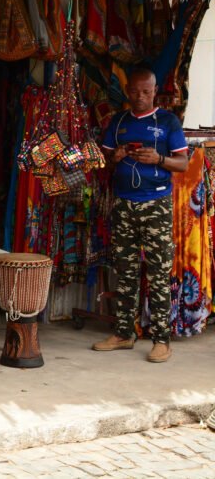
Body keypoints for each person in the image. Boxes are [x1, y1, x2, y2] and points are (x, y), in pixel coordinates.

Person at [94, 67, 188, 363]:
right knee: (126, 271)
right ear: (127, 91)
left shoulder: (168, 121)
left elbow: (183, 163)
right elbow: (104, 161)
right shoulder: (119, 121)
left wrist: (159, 158)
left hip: (156, 203)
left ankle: (162, 340)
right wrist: (116, 157)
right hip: (124, 203)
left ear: (155, 90)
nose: (140, 97)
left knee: (159, 273)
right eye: (134, 92)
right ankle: (124, 333)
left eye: (146, 92)